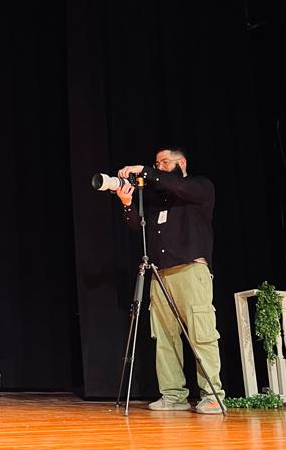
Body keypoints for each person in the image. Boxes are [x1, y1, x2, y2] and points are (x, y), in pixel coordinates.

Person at [115, 147, 224, 415]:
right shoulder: (157, 199)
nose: (160, 167)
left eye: (165, 162)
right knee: (164, 337)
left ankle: (211, 395)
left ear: (181, 162)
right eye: (157, 163)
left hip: (191, 270)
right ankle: (173, 395)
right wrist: (126, 203)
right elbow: (136, 225)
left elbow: (178, 185)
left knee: (202, 334)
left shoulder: (199, 187)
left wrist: (146, 171)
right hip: (160, 273)